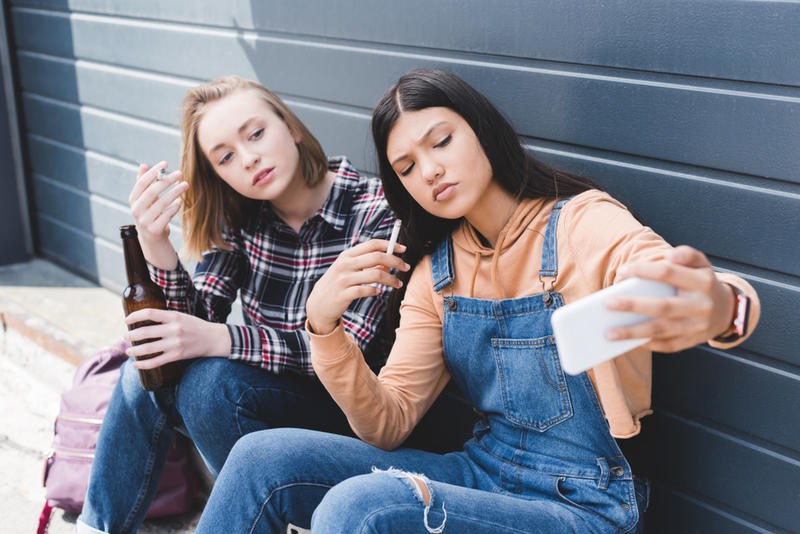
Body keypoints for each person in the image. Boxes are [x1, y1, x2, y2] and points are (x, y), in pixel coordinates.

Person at [194, 69, 761, 534]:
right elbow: (387, 425)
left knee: (359, 507)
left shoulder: (582, 222)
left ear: (483, 130)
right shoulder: (433, 275)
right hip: (482, 475)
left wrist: (716, 304)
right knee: (259, 459)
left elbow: (676, 281)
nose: (431, 170)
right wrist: (323, 325)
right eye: (408, 167)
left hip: (586, 502)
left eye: (441, 141)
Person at [77, 75, 478, 534]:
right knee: (143, 368)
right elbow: (194, 326)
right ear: (216, 174)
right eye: (225, 156)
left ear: (292, 127)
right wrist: (155, 244)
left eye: (256, 134)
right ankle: (95, 528)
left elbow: (356, 344)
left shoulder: (375, 209)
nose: (249, 159)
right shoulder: (242, 221)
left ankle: (271, 514)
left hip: (361, 418)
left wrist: (222, 338)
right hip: (273, 409)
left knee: (211, 384)